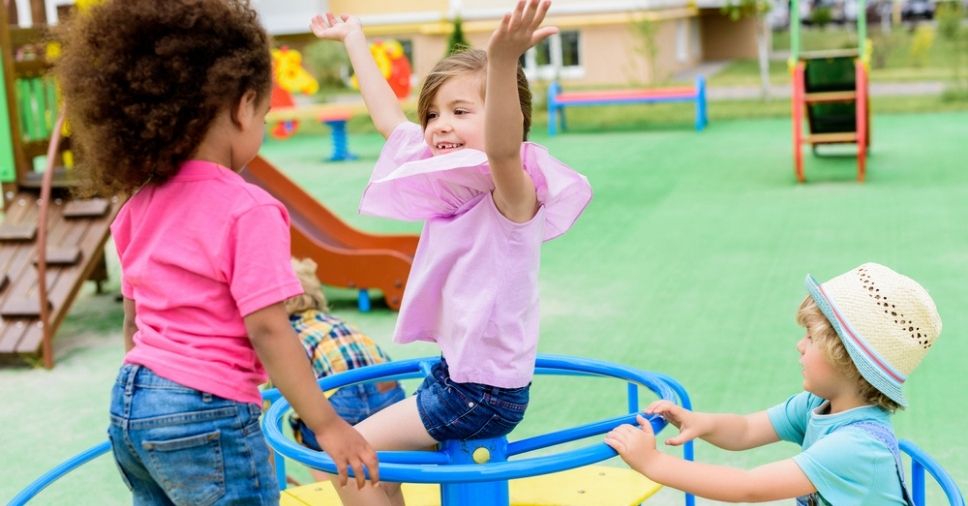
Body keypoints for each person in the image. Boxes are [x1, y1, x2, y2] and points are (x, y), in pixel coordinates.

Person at [55, 1, 378, 503]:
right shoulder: (249, 208)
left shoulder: (139, 202)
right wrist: (328, 425)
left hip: (132, 401)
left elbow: (133, 323)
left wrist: (152, 400)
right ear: (242, 105)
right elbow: (268, 326)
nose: (264, 129)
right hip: (207, 409)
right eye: (265, 116)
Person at [310, 0, 591, 503]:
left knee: (349, 460)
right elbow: (388, 122)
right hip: (458, 377)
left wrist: (503, 63)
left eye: (461, 112)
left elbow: (504, 147)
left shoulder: (511, 195)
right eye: (434, 113)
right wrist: (354, 38)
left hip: (481, 393)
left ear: (507, 117)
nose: (440, 124)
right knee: (372, 466)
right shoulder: (451, 185)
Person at [605, 262, 942, 505]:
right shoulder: (816, 406)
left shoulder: (856, 447)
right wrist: (700, 423)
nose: (800, 345)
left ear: (846, 359)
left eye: (810, 337)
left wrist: (654, 464)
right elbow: (748, 429)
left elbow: (748, 487)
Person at [284, 258, 405, 481]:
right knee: (380, 448)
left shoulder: (285, 334)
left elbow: (278, 386)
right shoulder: (336, 321)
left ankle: (330, 484)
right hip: (386, 388)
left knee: (310, 421)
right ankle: (382, 476)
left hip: (341, 399)